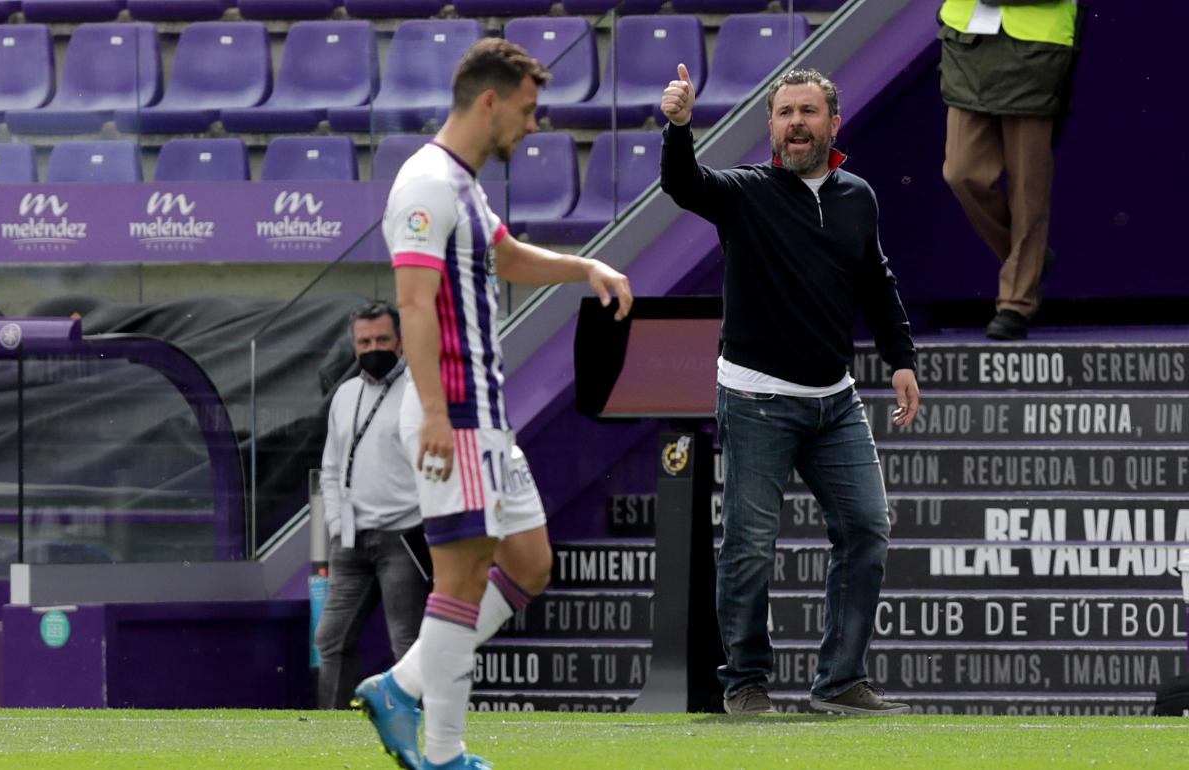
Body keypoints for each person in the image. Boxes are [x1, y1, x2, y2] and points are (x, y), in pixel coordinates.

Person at [352, 38, 632, 770]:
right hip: (456, 410)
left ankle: (403, 684)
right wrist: (441, 414)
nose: (533, 126)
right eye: (528, 110)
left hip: (485, 415)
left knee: (530, 561)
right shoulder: (425, 185)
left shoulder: (463, 184)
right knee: (463, 578)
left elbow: (504, 256)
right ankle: (444, 751)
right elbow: (413, 304)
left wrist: (585, 265)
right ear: (490, 100)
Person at [660, 65, 921, 715]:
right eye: (784, 113)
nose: (796, 123)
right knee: (749, 546)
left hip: (836, 401)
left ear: (834, 121)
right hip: (755, 400)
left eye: (808, 111)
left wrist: (901, 358)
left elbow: (877, 282)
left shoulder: (858, 195)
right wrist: (679, 127)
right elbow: (682, 182)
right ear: (770, 127)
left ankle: (840, 682)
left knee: (867, 529)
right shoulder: (745, 192)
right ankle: (745, 683)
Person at [938, 0, 1079, 340]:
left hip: (1037, 45)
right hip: (968, 40)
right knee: (960, 172)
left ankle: (1017, 301)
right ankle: (1029, 262)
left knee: (1027, 186)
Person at [314, 301, 431, 710]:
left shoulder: (419, 391)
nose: (373, 347)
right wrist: (333, 524)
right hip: (349, 539)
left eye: (382, 339)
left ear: (400, 341)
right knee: (330, 639)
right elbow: (330, 467)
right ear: (354, 344)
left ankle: (423, 737)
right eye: (365, 341)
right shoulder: (346, 395)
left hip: (402, 537)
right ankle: (334, 735)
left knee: (407, 645)